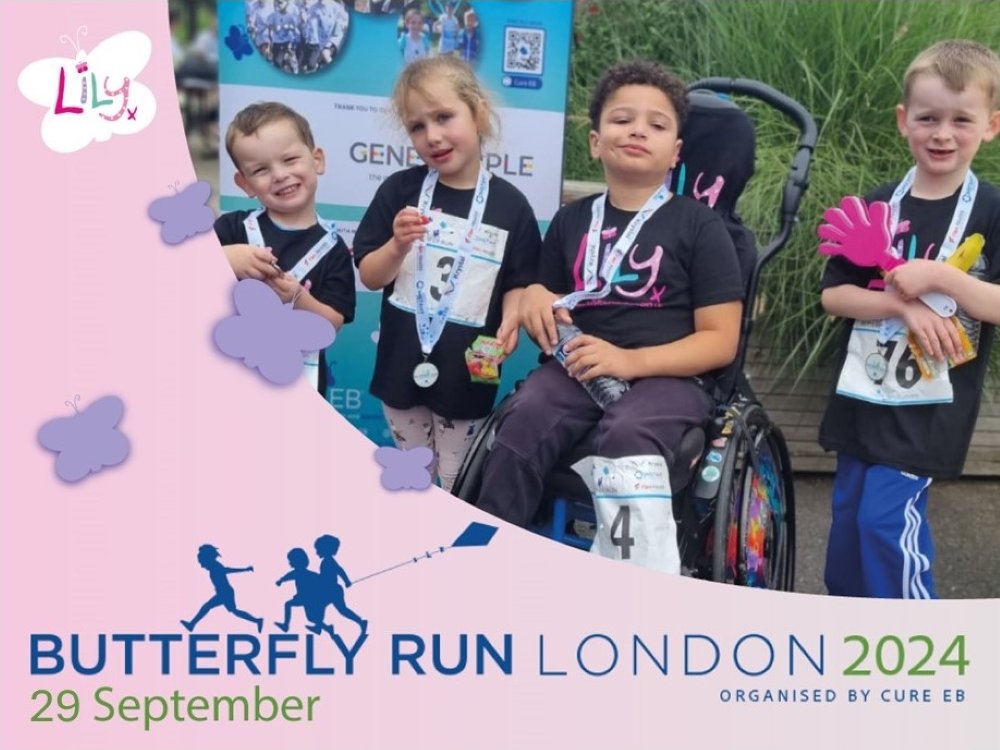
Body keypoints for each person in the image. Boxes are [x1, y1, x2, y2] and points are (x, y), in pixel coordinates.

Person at [475, 60, 744, 575]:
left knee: (627, 434)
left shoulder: (700, 227)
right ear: (596, 142)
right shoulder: (572, 221)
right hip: (578, 369)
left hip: (671, 376)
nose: (639, 129)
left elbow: (720, 341)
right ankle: (496, 568)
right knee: (524, 414)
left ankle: (632, 586)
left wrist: (628, 360)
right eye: (622, 120)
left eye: (657, 124)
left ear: (675, 153)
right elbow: (547, 298)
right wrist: (534, 296)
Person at [819, 39, 1000, 599]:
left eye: (960, 120)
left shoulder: (992, 210)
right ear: (904, 121)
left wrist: (942, 278)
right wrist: (900, 303)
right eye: (927, 118)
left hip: (929, 404)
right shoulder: (878, 206)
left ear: (991, 125)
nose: (942, 133)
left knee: (885, 525)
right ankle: (853, 638)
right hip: (863, 393)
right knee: (848, 528)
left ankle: (915, 648)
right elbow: (835, 296)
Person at [353, 56, 541, 492]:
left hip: (470, 373)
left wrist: (510, 322)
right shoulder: (399, 191)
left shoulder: (511, 205)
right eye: (417, 126)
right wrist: (397, 244)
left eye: (444, 117)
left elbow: (519, 279)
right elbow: (370, 275)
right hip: (401, 366)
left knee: (458, 482)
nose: (432, 136)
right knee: (412, 477)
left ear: (476, 113)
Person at [214, 101, 356, 394]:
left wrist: (298, 297)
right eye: (261, 170)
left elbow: (332, 325)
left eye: (290, 160)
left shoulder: (334, 249)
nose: (279, 175)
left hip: (298, 383)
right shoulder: (232, 229)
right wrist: (226, 258)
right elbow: (178, 269)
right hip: (228, 378)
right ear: (245, 184)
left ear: (317, 160)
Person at [181, 545, 263, 632]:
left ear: (208, 559)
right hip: (224, 592)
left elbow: (228, 570)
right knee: (233, 611)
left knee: (207, 606)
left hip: (225, 593)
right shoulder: (213, 567)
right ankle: (257, 620)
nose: (201, 565)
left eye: (202, 562)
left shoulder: (216, 566)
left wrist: (245, 569)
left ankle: (192, 624)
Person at [313, 535, 367, 635]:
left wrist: (346, 580)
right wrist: (346, 581)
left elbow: (339, 570)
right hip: (332, 589)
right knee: (342, 610)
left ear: (325, 549)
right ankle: (361, 622)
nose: (316, 552)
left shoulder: (328, 561)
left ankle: (318, 627)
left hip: (332, 590)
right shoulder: (327, 561)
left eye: (318, 549)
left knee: (321, 606)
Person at [274, 547, 329, 633]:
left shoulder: (300, 572)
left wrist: (281, 580)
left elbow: (289, 576)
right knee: (311, 617)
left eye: (291, 560)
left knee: (310, 616)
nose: (289, 563)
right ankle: (325, 628)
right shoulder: (303, 572)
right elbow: (289, 576)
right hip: (305, 597)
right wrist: (281, 580)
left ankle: (286, 626)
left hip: (307, 598)